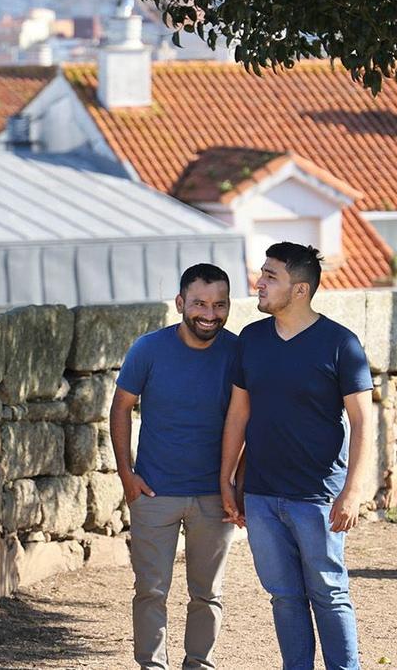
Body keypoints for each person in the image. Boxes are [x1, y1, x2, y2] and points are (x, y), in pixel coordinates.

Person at [221, 242, 373, 670]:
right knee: (284, 597)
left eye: (271, 276)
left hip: (318, 497)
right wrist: (227, 479)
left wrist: (352, 491)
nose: (259, 283)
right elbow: (238, 413)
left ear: (300, 289)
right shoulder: (251, 339)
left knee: (328, 592)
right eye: (262, 273)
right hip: (262, 495)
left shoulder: (341, 343)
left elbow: (363, 421)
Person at [110, 263, 240, 670]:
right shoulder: (148, 349)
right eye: (199, 302)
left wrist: (237, 484)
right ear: (181, 302)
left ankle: (199, 664)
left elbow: (249, 421)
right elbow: (120, 409)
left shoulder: (238, 352)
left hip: (214, 496)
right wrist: (126, 475)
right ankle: (152, 666)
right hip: (154, 492)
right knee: (150, 590)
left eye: (220, 304)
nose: (209, 313)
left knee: (208, 592)